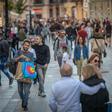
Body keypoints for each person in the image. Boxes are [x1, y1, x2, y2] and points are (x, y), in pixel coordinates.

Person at [14, 39, 34, 111]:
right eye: (25, 45)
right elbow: (14, 60)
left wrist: (28, 60)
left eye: (28, 45)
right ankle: (24, 100)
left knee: (26, 91)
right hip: (19, 74)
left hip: (27, 75)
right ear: (23, 45)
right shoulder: (18, 52)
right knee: (19, 90)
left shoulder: (31, 54)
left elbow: (32, 64)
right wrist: (20, 57)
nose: (26, 46)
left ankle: (25, 105)